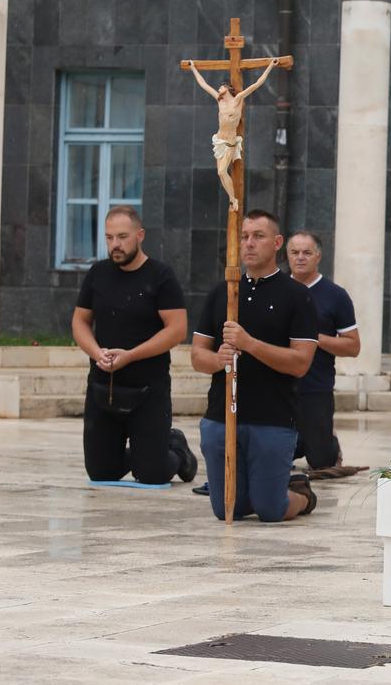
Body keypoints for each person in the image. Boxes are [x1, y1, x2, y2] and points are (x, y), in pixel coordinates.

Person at [191, 209, 321, 522]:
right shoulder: (222, 292)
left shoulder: (297, 296)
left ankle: (301, 493)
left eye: (258, 236)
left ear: (277, 242)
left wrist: (250, 344)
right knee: (228, 510)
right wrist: (218, 359)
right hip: (222, 415)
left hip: (272, 418)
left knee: (270, 510)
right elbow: (197, 356)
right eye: (244, 236)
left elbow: (300, 364)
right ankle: (259, 487)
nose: (249, 244)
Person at [72, 205, 197, 486]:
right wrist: (95, 351)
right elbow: (80, 321)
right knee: (101, 473)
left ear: (140, 235)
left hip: (148, 387)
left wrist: (131, 355)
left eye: (122, 237)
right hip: (104, 385)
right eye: (109, 238)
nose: (115, 245)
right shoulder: (98, 273)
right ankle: (142, 453)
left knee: (151, 475)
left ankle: (175, 449)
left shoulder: (161, 276)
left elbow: (177, 330)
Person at [285, 230, 364, 480]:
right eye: (294, 252)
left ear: (318, 256)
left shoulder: (336, 295)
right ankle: (292, 444)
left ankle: (326, 442)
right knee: (274, 451)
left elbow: (353, 346)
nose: (300, 258)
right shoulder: (276, 289)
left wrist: (312, 338)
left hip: (315, 386)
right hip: (278, 384)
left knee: (320, 462)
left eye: (306, 253)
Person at [186, 58, 278, 212]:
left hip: (230, 142)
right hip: (219, 141)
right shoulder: (219, 101)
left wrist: (270, 66)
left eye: (221, 87)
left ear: (227, 89)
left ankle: (232, 199)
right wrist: (194, 68)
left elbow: (256, 84)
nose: (219, 88)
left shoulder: (237, 100)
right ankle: (232, 198)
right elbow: (203, 84)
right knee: (220, 174)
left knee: (222, 171)